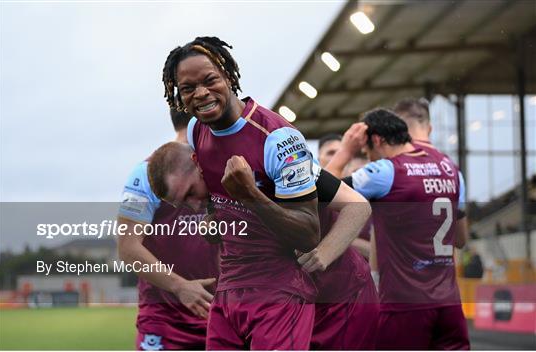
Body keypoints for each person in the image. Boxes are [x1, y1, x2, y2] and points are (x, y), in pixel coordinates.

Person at [161, 36, 371, 350]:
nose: (200, 93)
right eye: (188, 88)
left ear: (228, 75)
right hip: (257, 290)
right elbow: (222, 198)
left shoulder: (279, 140)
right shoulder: (197, 131)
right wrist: (216, 221)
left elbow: (330, 221)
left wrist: (324, 254)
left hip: (336, 297)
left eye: (209, 80)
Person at [147, 141, 375, 350]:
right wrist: (214, 227)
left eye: (190, 193)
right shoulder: (212, 191)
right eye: (183, 204)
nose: (194, 206)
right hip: (287, 304)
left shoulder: (273, 161)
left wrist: (324, 253)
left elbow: (358, 206)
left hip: (340, 298)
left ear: (199, 164)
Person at [326, 109, 470, 350]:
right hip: (450, 305)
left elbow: (322, 194)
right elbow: (461, 239)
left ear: (377, 140)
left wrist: (345, 151)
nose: (368, 158)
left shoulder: (385, 171)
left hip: (405, 306)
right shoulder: (450, 167)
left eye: (367, 151)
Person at [117, 109, 219, 350]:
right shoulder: (145, 173)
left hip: (219, 315)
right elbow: (127, 247)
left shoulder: (219, 165)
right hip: (165, 321)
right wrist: (180, 286)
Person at [393, 97, 468, 249]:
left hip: (402, 268)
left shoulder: (392, 168)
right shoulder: (453, 171)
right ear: (430, 128)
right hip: (442, 269)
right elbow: (461, 240)